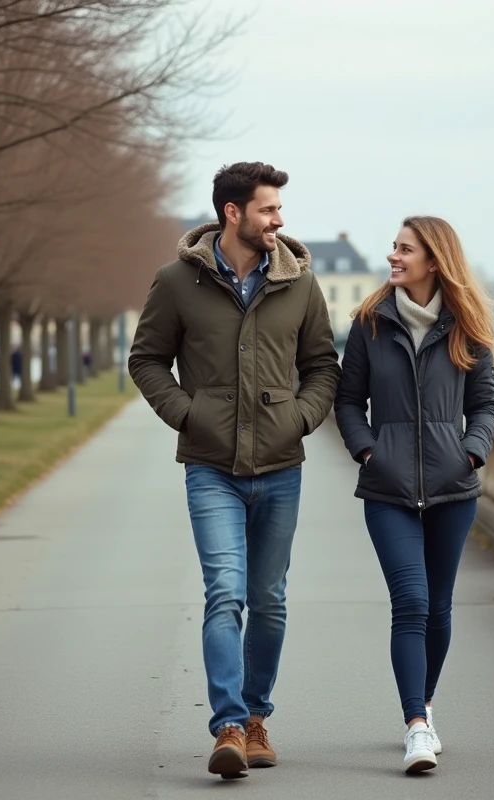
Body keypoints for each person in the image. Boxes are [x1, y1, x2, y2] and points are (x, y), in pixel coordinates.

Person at [128, 162, 340, 780]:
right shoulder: (175, 282)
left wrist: (300, 419)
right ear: (233, 213)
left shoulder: (300, 283)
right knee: (225, 593)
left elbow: (323, 366)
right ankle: (226, 725)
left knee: (268, 600)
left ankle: (255, 719)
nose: (279, 220)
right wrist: (188, 415)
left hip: (280, 465)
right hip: (210, 467)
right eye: (269, 209)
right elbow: (146, 361)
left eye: (278, 210)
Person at [333, 216, 494, 775]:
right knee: (411, 602)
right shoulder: (370, 324)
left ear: (435, 259)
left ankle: (423, 708)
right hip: (388, 489)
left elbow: (485, 406)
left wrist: (471, 452)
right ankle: (415, 727)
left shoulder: (467, 327)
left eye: (404, 249)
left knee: (440, 608)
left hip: (455, 488)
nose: (392, 257)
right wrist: (367, 452)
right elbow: (348, 401)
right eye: (394, 248)